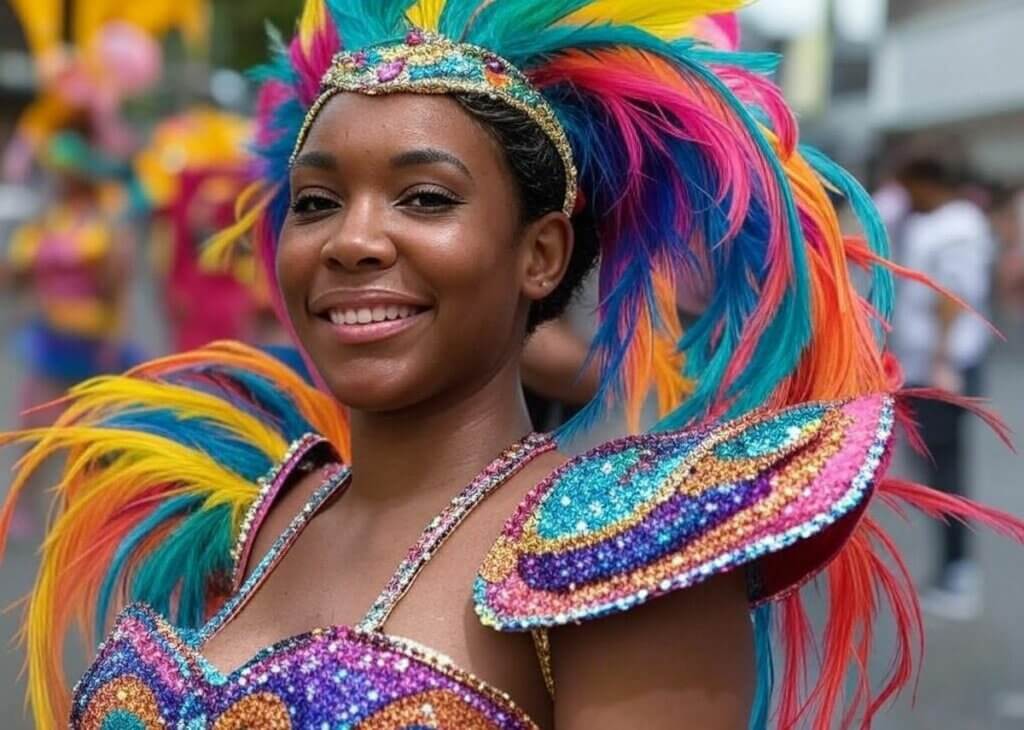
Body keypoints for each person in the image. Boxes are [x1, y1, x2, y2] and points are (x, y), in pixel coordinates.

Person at [1, 3, 1022, 728]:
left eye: (425, 198)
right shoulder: (252, 514)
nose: (351, 241)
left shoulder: (623, 563)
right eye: (316, 202)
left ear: (539, 254)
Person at [892, 157, 997, 621]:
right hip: (929, 365)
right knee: (935, 467)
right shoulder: (936, 221)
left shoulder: (956, 226)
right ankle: (951, 568)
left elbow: (951, 296)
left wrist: (940, 360)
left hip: (943, 369)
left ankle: (957, 572)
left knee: (945, 472)